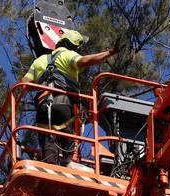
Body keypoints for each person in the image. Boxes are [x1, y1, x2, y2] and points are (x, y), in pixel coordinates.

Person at [21, 30, 116, 166]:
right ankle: (68, 164)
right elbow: (84, 61)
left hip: (42, 109)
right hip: (62, 105)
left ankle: (50, 168)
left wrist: (45, 84)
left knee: (48, 144)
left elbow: (24, 84)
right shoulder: (68, 55)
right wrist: (109, 53)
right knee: (68, 140)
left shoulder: (39, 61)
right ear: (73, 46)